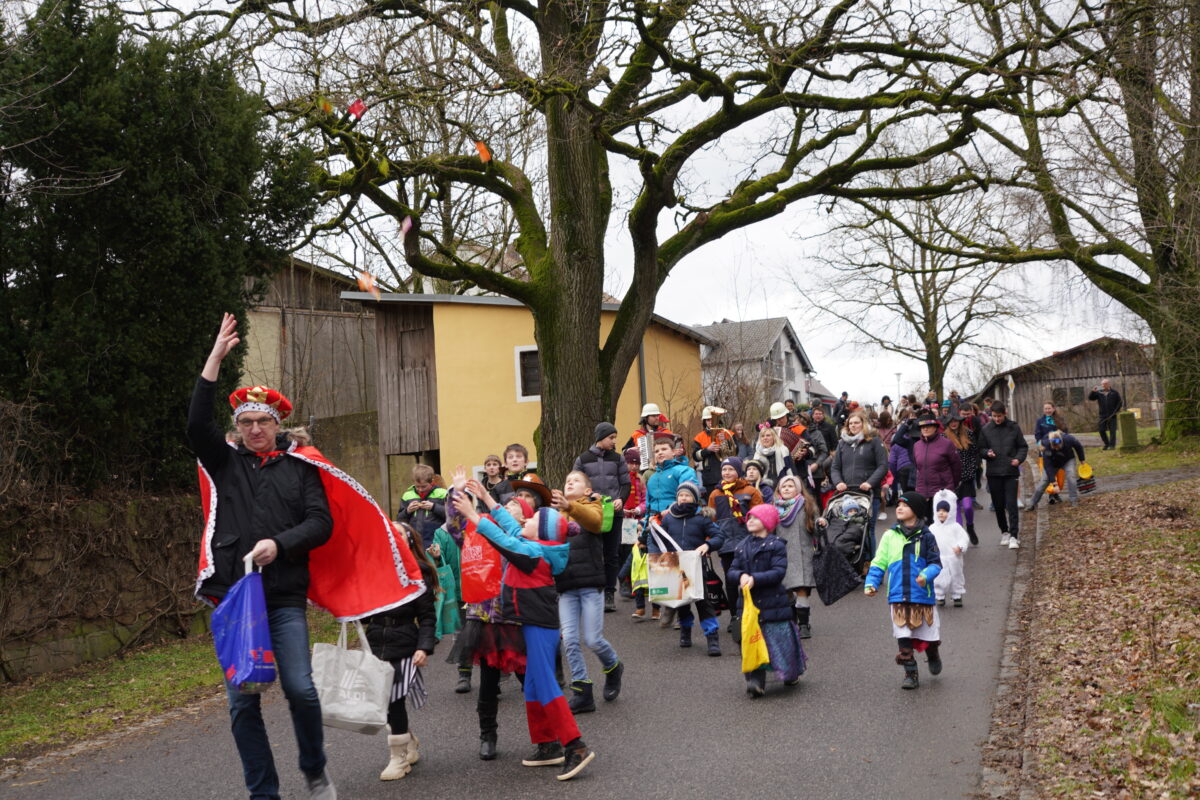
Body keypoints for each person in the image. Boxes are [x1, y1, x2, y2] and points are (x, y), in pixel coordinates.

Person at [189, 314, 338, 799]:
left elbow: (321, 523)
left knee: (301, 690)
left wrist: (281, 544)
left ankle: (314, 768)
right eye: (246, 422)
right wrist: (215, 359)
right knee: (242, 703)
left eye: (263, 421)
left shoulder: (301, 468)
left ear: (278, 424)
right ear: (237, 428)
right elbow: (196, 424)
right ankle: (263, 792)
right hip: (235, 600)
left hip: (283, 598)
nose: (255, 429)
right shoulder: (225, 463)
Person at [451, 484, 597, 781]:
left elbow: (502, 539)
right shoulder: (535, 545)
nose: (525, 520)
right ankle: (547, 745)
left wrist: (473, 516)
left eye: (532, 519)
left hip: (539, 627)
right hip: (530, 625)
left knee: (545, 685)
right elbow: (509, 526)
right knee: (531, 686)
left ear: (540, 532)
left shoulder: (533, 553)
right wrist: (486, 497)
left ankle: (575, 745)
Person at [451, 481, 544, 758]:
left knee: (530, 682)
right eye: (507, 503)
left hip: (516, 620)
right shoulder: (479, 531)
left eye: (515, 506)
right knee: (488, 683)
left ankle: (546, 736)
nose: (507, 506)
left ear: (524, 519)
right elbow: (455, 526)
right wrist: (458, 493)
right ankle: (487, 735)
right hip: (486, 618)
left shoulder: (525, 541)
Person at [365, 522, 439, 781]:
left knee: (393, 699)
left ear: (408, 539)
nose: (392, 536)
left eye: (398, 533)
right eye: (388, 532)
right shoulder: (373, 569)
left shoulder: (418, 572)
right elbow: (365, 610)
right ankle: (407, 741)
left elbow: (427, 616)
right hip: (376, 642)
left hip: (405, 644)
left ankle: (398, 759)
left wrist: (424, 647)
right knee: (382, 701)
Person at [549, 470, 624, 714]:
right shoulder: (555, 514)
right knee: (570, 640)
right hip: (566, 586)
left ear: (588, 490)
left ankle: (613, 667)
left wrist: (569, 507)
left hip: (591, 583)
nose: (570, 483)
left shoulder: (593, 506)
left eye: (576, 481)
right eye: (567, 480)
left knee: (592, 639)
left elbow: (595, 523)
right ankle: (582, 691)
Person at [863, 491, 943, 690]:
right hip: (898, 595)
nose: (899, 508)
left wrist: (925, 575)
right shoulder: (890, 535)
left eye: (905, 505)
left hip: (922, 595)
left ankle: (932, 652)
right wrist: (871, 583)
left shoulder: (927, 536)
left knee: (929, 634)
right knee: (903, 633)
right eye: (898, 505)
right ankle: (910, 672)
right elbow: (879, 562)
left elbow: (936, 563)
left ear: (916, 510)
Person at [728, 504, 806, 697]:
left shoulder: (776, 545)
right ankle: (755, 681)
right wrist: (740, 576)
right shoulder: (741, 546)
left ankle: (790, 673)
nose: (750, 521)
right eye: (749, 518)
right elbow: (732, 570)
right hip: (748, 604)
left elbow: (778, 572)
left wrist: (756, 579)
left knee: (779, 643)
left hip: (773, 603)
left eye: (755, 518)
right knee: (751, 642)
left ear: (767, 522)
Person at [652, 481, 725, 655]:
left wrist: (707, 545)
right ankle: (685, 631)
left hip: (697, 567)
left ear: (695, 498)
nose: (683, 498)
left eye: (687, 495)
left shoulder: (702, 517)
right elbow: (658, 539)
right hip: (676, 567)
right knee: (682, 602)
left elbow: (719, 536)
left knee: (703, 603)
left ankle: (712, 637)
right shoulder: (669, 518)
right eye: (681, 495)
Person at [572, 421, 631, 612]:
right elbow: (576, 484)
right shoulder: (583, 459)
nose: (614, 441)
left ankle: (609, 593)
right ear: (600, 438)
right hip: (591, 514)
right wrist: (590, 497)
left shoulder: (618, 458)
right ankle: (593, 591)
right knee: (593, 553)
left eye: (615, 438)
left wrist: (621, 499)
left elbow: (626, 483)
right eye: (611, 438)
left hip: (614, 514)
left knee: (612, 554)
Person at [707, 457, 764, 631]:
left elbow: (760, 515)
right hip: (725, 544)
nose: (727, 473)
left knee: (749, 579)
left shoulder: (750, 491)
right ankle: (735, 616)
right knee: (731, 580)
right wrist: (709, 542)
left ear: (738, 471)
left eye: (731, 469)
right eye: (724, 470)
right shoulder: (715, 494)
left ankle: (751, 613)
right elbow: (711, 521)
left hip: (747, 541)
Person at [830, 410, 889, 546]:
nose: (853, 425)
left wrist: (870, 482)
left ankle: (871, 559)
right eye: (850, 423)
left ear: (863, 424)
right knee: (846, 529)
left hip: (869, 494)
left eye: (856, 423)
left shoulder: (874, 441)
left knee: (868, 531)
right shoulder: (842, 444)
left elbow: (883, 466)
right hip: (847, 494)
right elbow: (835, 467)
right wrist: (838, 482)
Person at [979, 401, 1029, 549]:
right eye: (994, 416)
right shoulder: (986, 429)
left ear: (1004, 413)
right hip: (994, 472)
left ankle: (1014, 536)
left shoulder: (1014, 427)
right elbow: (980, 449)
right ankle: (1005, 532)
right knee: (999, 505)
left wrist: (1018, 459)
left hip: (1010, 471)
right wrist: (987, 453)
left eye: (999, 416)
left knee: (1011, 505)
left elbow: (1023, 446)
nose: (997, 419)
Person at [773, 474, 817, 639]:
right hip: (781, 555)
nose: (786, 489)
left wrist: (820, 524)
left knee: (801, 589)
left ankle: (804, 624)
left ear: (798, 489)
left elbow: (815, 527)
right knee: (786, 591)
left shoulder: (807, 506)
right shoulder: (773, 509)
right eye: (783, 486)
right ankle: (792, 622)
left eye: (790, 486)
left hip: (802, 554)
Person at [928, 490, 970, 608]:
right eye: (939, 511)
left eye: (945, 511)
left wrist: (960, 546)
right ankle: (939, 595)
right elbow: (927, 540)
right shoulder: (932, 528)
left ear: (950, 512)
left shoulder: (955, 527)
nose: (941, 513)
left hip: (953, 557)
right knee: (938, 578)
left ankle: (957, 595)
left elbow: (964, 538)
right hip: (938, 557)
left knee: (956, 576)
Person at [944, 411, 981, 544]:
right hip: (951, 479)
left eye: (956, 421)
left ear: (960, 422)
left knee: (968, 506)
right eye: (951, 421)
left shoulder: (968, 434)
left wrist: (972, 470)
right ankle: (960, 537)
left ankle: (970, 526)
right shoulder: (944, 437)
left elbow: (974, 454)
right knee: (956, 509)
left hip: (966, 477)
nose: (954, 423)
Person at [1028, 430, 1086, 510]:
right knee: (1044, 482)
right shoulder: (1046, 445)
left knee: (1071, 477)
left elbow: (1078, 446)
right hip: (1053, 463)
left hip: (1068, 460)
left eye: (1058, 446)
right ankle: (1032, 503)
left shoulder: (1069, 439)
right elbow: (1048, 466)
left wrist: (1082, 459)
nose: (1057, 448)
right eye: (1054, 447)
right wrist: (1054, 484)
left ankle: (1074, 500)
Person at [912, 414, 962, 500]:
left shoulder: (947, 444)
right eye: (922, 427)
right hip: (922, 492)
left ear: (935, 427)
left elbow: (956, 468)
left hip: (943, 492)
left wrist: (951, 487)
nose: (925, 429)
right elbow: (917, 467)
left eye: (928, 426)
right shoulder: (917, 445)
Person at [692, 406, 737, 497]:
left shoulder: (727, 433)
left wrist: (726, 441)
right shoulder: (699, 437)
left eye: (712, 419)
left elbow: (736, 451)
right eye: (708, 420)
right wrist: (707, 450)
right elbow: (695, 456)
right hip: (710, 477)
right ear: (704, 421)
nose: (711, 422)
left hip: (728, 474)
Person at [397, 464, 448, 541]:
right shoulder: (407, 496)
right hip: (415, 541)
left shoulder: (443, 494)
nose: (420, 489)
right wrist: (407, 511)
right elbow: (400, 520)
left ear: (431, 482)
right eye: (417, 486)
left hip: (437, 540)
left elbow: (451, 516)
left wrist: (434, 507)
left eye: (424, 486)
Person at [1088, 379, 1123, 450]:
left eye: (1105, 384)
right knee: (1101, 430)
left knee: (1112, 431)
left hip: (1112, 415)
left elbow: (1119, 403)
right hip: (1102, 415)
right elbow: (1091, 398)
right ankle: (1107, 444)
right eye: (1102, 384)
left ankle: (1112, 446)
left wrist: (1115, 411)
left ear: (1108, 384)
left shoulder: (1114, 393)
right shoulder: (1099, 392)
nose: (1103, 385)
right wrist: (1093, 391)